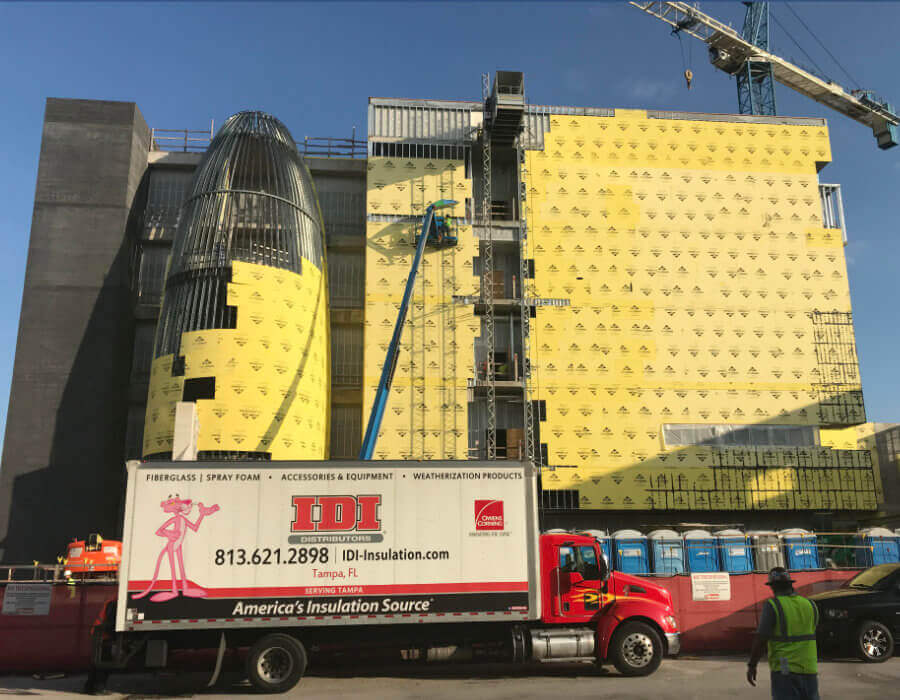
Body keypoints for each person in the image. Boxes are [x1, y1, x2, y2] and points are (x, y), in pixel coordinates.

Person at [747, 567, 820, 700]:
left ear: (773, 587)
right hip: (809, 668)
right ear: (790, 584)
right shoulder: (810, 604)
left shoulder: (773, 605)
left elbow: (761, 638)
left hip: (785, 671)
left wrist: (752, 665)